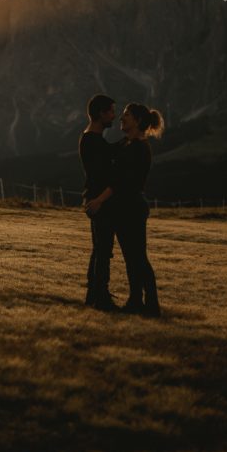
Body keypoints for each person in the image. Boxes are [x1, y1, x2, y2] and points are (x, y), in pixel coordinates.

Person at [87, 102, 164, 317]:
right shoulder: (127, 144)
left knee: (138, 257)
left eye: (126, 115)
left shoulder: (139, 148)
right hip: (125, 208)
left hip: (133, 208)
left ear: (138, 121)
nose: (122, 118)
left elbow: (120, 181)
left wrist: (99, 200)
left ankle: (152, 304)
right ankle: (136, 301)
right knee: (132, 257)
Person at [79, 94, 118, 311]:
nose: (114, 115)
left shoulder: (93, 140)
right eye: (111, 111)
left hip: (95, 199)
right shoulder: (93, 141)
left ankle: (93, 295)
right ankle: (101, 297)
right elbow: (101, 174)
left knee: (99, 249)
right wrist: (101, 199)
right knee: (103, 250)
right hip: (98, 201)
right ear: (101, 114)